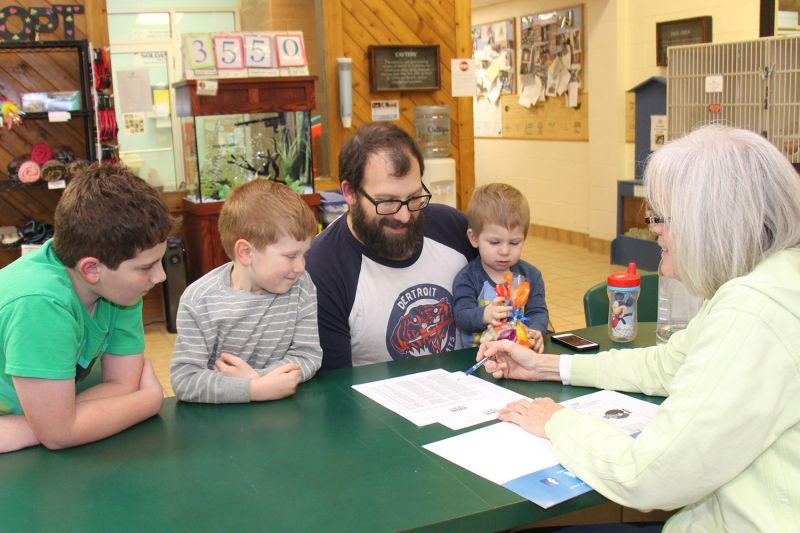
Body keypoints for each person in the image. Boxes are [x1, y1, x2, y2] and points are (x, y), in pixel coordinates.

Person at [477, 125, 800, 532]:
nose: (653, 229)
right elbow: (670, 365)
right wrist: (545, 367)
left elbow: (646, 476)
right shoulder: (771, 280)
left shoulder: (753, 313)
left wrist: (555, 420)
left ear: (711, 222)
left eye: (662, 217)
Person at [0, 164, 173, 453]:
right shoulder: (40, 303)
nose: (160, 277)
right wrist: (148, 402)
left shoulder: (120, 289)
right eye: (146, 267)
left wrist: (55, 422)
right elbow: (59, 435)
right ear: (91, 269)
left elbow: (122, 385)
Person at [306, 122, 476, 369]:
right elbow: (335, 392)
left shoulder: (454, 229)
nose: (405, 216)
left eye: (414, 197)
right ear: (350, 193)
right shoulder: (323, 269)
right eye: (387, 202)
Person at [170, 179, 321, 403]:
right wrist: (252, 389)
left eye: (304, 255)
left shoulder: (302, 286)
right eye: (291, 256)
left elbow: (308, 355)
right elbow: (184, 379)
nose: (301, 267)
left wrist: (256, 379)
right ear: (246, 253)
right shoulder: (199, 300)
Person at [453, 183, 548, 350]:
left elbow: (538, 312)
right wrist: (485, 315)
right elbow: (462, 316)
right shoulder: (467, 277)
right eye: (494, 242)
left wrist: (535, 331)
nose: (504, 251)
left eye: (514, 242)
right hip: (478, 357)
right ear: (474, 238)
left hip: (520, 353)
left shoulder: (532, 276)